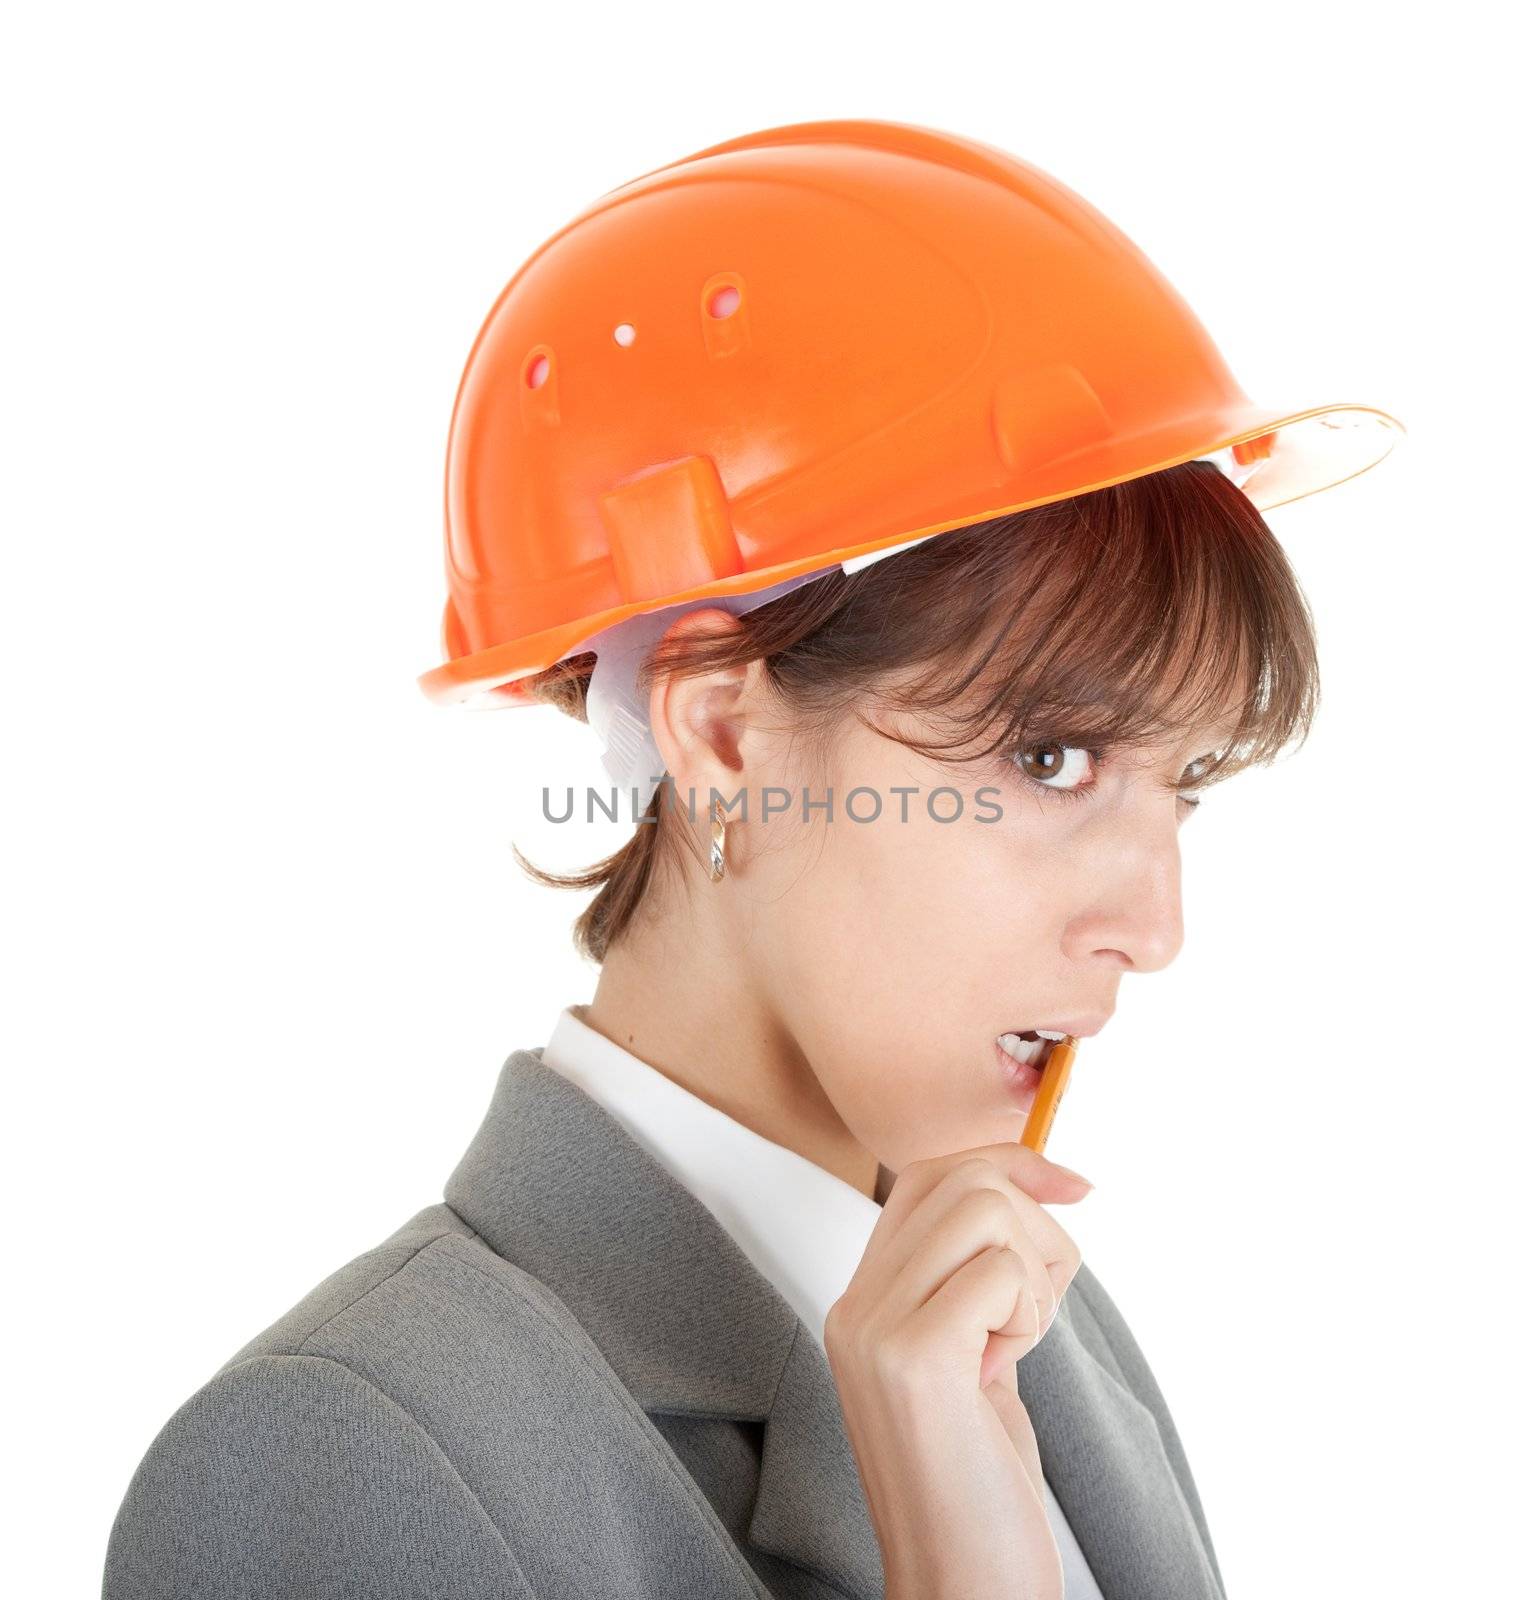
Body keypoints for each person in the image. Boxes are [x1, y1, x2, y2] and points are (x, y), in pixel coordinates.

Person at [101, 119, 1403, 1600]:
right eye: (1050, 758)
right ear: (724, 735)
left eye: (1189, 785)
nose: (1152, 927)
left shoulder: (1037, 1329)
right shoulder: (339, 1459)